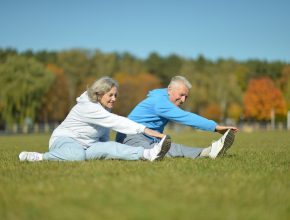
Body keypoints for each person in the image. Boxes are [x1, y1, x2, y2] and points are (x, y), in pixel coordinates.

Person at [19, 76, 171, 162]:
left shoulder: (105, 109)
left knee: (109, 146)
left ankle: (149, 154)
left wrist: (107, 149)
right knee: (77, 155)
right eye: (110, 95)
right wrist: (147, 130)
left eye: (115, 95)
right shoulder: (88, 106)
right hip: (64, 140)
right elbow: (117, 122)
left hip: (88, 146)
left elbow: (103, 136)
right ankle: (39, 157)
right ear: (99, 94)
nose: (114, 99)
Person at [116, 75, 238, 159]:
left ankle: (208, 152)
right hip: (130, 137)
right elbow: (186, 117)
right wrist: (216, 127)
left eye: (186, 97)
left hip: (149, 137)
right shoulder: (160, 102)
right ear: (170, 89)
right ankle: (208, 152)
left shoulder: (163, 98)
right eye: (181, 95)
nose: (183, 100)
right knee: (161, 150)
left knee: (168, 147)